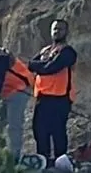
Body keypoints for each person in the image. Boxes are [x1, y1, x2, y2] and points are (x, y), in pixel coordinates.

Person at [28, 19, 78, 165]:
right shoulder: (45, 50)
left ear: (66, 32)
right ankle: (43, 161)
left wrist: (40, 66)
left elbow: (52, 67)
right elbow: (31, 64)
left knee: (58, 132)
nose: (57, 32)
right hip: (42, 98)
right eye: (55, 29)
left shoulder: (68, 51)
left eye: (60, 29)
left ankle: (60, 161)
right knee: (40, 130)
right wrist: (42, 65)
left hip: (60, 98)